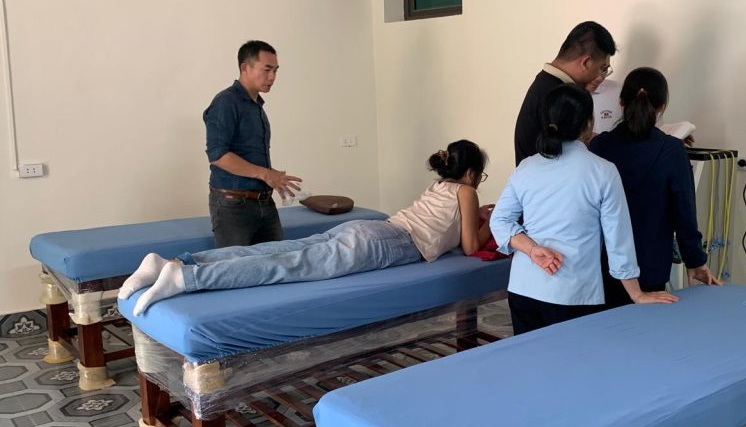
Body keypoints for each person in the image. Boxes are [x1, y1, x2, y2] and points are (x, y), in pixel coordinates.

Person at [120, 140, 492, 315]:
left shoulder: (438, 187)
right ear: (472, 173)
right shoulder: (467, 191)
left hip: (371, 230)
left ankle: (172, 262)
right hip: (388, 244)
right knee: (287, 265)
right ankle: (186, 278)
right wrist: (487, 222)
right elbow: (471, 247)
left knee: (277, 251)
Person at [492, 84, 677, 335]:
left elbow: (499, 220)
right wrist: (637, 293)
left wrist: (532, 250)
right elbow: (618, 240)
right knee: (574, 360)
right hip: (573, 295)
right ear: (588, 123)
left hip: (523, 289)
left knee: (528, 358)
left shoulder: (527, 167)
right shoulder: (602, 171)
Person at [589, 67, 720, 308]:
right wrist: (695, 261)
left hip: (601, 265)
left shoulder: (599, 147)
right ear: (661, 107)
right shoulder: (672, 151)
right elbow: (684, 214)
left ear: (621, 102)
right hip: (651, 266)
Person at [204, 40, 303, 248]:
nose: (272, 77)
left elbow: (248, 155)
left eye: (275, 71)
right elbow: (218, 155)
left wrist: (274, 178)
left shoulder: (256, 106)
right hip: (233, 205)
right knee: (237, 266)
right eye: (267, 70)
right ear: (245, 68)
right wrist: (266, 174)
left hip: (264, 202)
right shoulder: (225, 102)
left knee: (276, 262)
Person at [513, 21, 616, 165]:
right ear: (586, 62)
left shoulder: (546, 85)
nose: (601, 77)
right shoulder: (558, 96)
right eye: (603, 68)